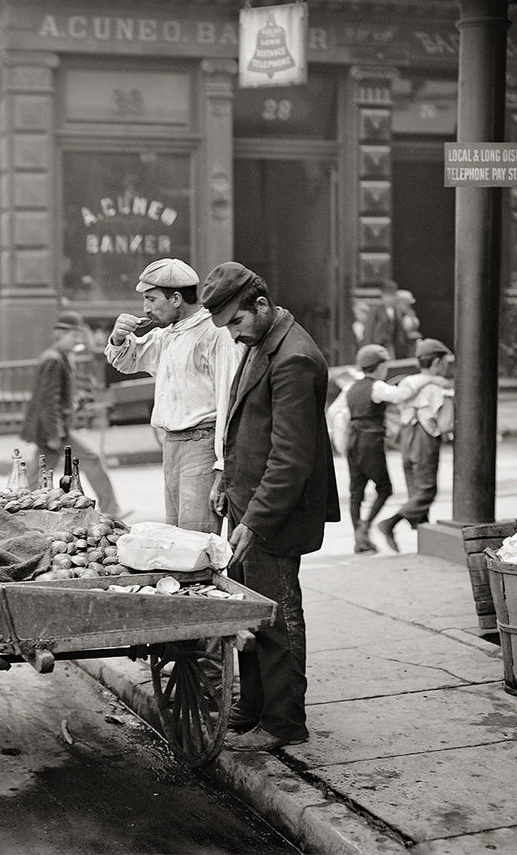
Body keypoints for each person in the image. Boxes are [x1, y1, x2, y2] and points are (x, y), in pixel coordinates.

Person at [202, 262, 340, 753]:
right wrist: (227, 481)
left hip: (273, 514)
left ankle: (283, 722)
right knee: (249, 609)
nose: (234, 334)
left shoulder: (294, 358)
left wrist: (256, 521)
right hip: (248, 503)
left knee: (278, 617)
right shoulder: (262, 341)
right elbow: (247, 427)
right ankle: (253, 707)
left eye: (236, 322)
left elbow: (290, 459)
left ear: (261, 305)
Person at [104, 259, 241, 534]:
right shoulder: (169, 334)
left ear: (176, 298)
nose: (146, 308)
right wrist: (118, 338)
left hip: (201, 445)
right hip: (172, 445)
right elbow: (127, 360)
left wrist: (222, 465)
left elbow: (231, 403)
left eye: (151, 299)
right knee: (177, 537)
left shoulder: (215, 335)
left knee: (196, 539)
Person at [335, 344, 449, 553]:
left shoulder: (350, 387)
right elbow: (400, 395)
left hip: (352, 441)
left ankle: (359, 539)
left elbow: (335, 412)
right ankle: (368, 525)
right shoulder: (377, 387)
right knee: (384, 489)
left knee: (356, 492)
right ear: (380, 367)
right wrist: (430, 379)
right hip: (370, 442)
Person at [20, 310, 122, 517]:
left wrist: (74, 402)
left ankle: (21, 508)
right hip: (54, 429)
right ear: (60, 334)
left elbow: (55, 397)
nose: (77, 340)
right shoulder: (54, 359)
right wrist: (54, 434)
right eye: (73, 335)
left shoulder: (59, 357)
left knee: (39, 472)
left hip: (53, 427)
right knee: (91, 460)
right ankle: (111, 510)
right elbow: (48, 401)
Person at [376, 338, 455, 550]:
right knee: (427, 491)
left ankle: (424, 541)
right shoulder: (438, 388)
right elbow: (446, 424)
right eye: (445, 362)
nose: (446, 366)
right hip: (424, 439)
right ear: (437, 362)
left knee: (415, 491)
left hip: (406, 437)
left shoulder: (407, 383)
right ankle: (390, 523)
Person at [359, 280, 420, 360]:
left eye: (391, 296)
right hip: (379, 344)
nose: (389, 299)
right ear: (382, 296)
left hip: (393, 346)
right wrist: (368, 348)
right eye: (386, 296)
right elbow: (369, 331)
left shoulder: (398, 311)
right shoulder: (376, 312)